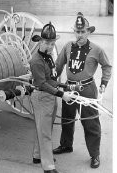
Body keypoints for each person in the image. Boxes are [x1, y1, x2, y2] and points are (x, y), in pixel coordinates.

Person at [53, 12, 112, 168]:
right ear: (74, 32)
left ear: (88, 32)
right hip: (69, 88)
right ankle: (66, 145)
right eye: (77, 32)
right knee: (67, 118)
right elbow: (58, 65)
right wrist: (52, 79)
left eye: (83, 31)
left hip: (87, 89)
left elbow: (107, 66)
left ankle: (95, 154)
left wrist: (104, 82)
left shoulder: (97, 49)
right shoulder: (67, 46)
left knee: (90, 122)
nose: (80, 35)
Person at [29, 22, 72, 173]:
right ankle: (48, 167)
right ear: (40, 42)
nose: (50, 46)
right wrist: (62, 94)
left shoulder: (47, 57)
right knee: (45, 132)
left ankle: (37, 155)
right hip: (41, 96)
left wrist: (64, 87)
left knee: (42, 128)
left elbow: (50, 79)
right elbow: (41, 83)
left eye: (53, 43)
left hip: (49, 96)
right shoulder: (36, 61)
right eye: (47, 43)